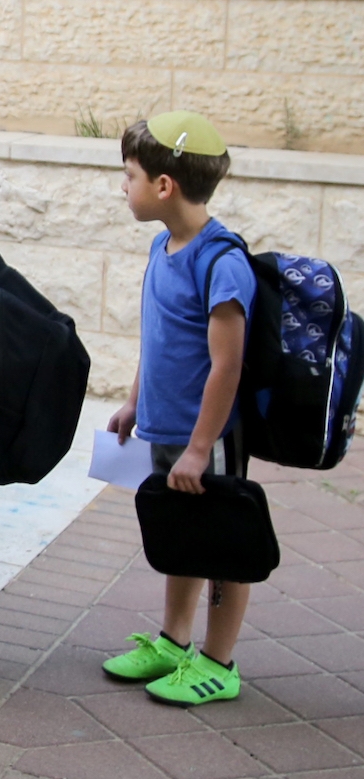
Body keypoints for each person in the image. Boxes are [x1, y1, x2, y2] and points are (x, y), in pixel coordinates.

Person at [101, 112, 256, 707]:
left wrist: (198, 447)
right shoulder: (163, 246)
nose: (124, 186)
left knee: (222, 545)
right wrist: (135, 402)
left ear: (164, 186)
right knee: (184, 534)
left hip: (207, 438)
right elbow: (157, 335)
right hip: (168, 428)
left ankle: (219, 663)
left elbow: (228, 365)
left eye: (130, 174)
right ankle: (174, 642)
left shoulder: (222, 262)